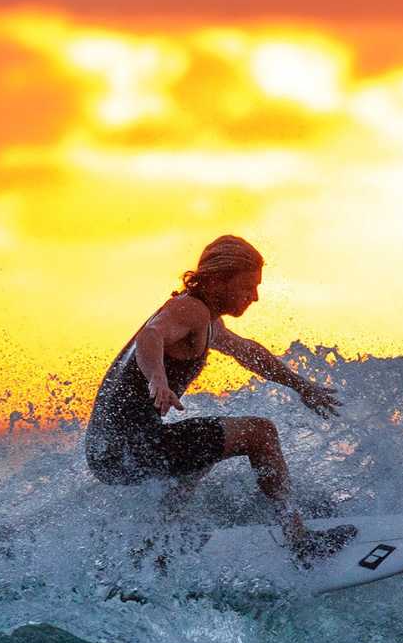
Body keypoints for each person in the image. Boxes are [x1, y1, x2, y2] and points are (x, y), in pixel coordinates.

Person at [85, 234, 358, 564]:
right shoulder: (190, 310)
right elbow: (151, 335)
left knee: (206, 450)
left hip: (109, 452)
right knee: (261, 434)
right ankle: (299, 540)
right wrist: (157, 378)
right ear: (216, 280)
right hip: (128, 448)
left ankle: (153, 551)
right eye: (247, 287)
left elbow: (248, 353)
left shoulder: (207, 319)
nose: (254, 297)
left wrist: (301, 386)